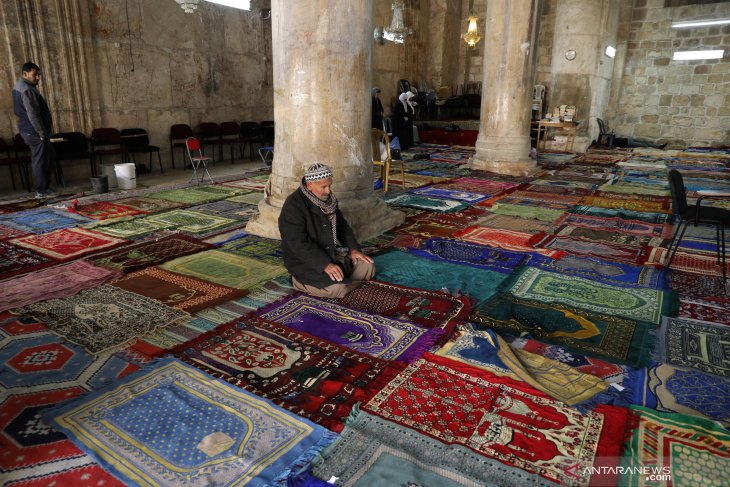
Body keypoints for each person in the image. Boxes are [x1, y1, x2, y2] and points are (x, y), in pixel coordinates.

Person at [279, 162, 375, 299]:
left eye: (329, 185)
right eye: (323, 187)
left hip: (331, 254)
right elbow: (297, 244)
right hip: (306, 262)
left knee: (367, 266)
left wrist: (354, 249)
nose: (328, 191)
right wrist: (324, 264)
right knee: (336, 289)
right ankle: (300, 281)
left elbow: (342, 227)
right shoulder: (293, 205)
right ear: (309, 185)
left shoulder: (329, 201)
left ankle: (343, 282)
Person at [12, 61, 56, 198]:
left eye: (39, 75)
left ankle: (45, 188)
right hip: (34, 131)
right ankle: (42, 191)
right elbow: (33, 114)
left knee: (47, 157)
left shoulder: (23, 87)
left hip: (31, 130)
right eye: (34, 74)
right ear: (24, 74)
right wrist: (41, 132)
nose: (38, 77)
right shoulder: (26, 89)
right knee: (40, 159)